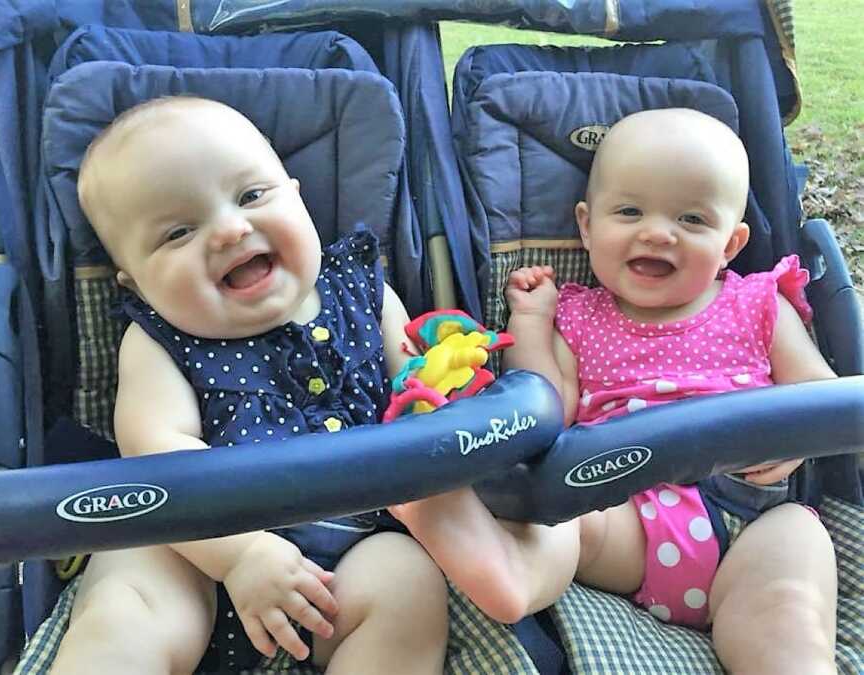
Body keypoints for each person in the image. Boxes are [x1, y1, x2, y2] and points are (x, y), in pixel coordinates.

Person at [392, 108, 838, 674]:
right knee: (555, 517)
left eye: (692, 219)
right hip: (621, 503)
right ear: (586, 226)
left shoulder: (758, 304)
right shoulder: (577, 315)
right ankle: (509, 573)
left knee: (789, 608)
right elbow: (545, 408)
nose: (657, 231)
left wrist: (793, 440)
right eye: (629, 212)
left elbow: (823, 397)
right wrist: (530, 322)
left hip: (753, 516)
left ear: (731, 242)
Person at [51, 96, 448, 675]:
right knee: (129, 598)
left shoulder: (363, 294)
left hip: (354, 543)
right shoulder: (161, 341)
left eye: (251, 196)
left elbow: (421, 394)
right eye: (179, 231)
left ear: (296, 193)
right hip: (195, 544)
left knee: (408, 585)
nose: (231, 230)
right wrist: (239, 555)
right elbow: (155, 457)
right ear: (134, 282)